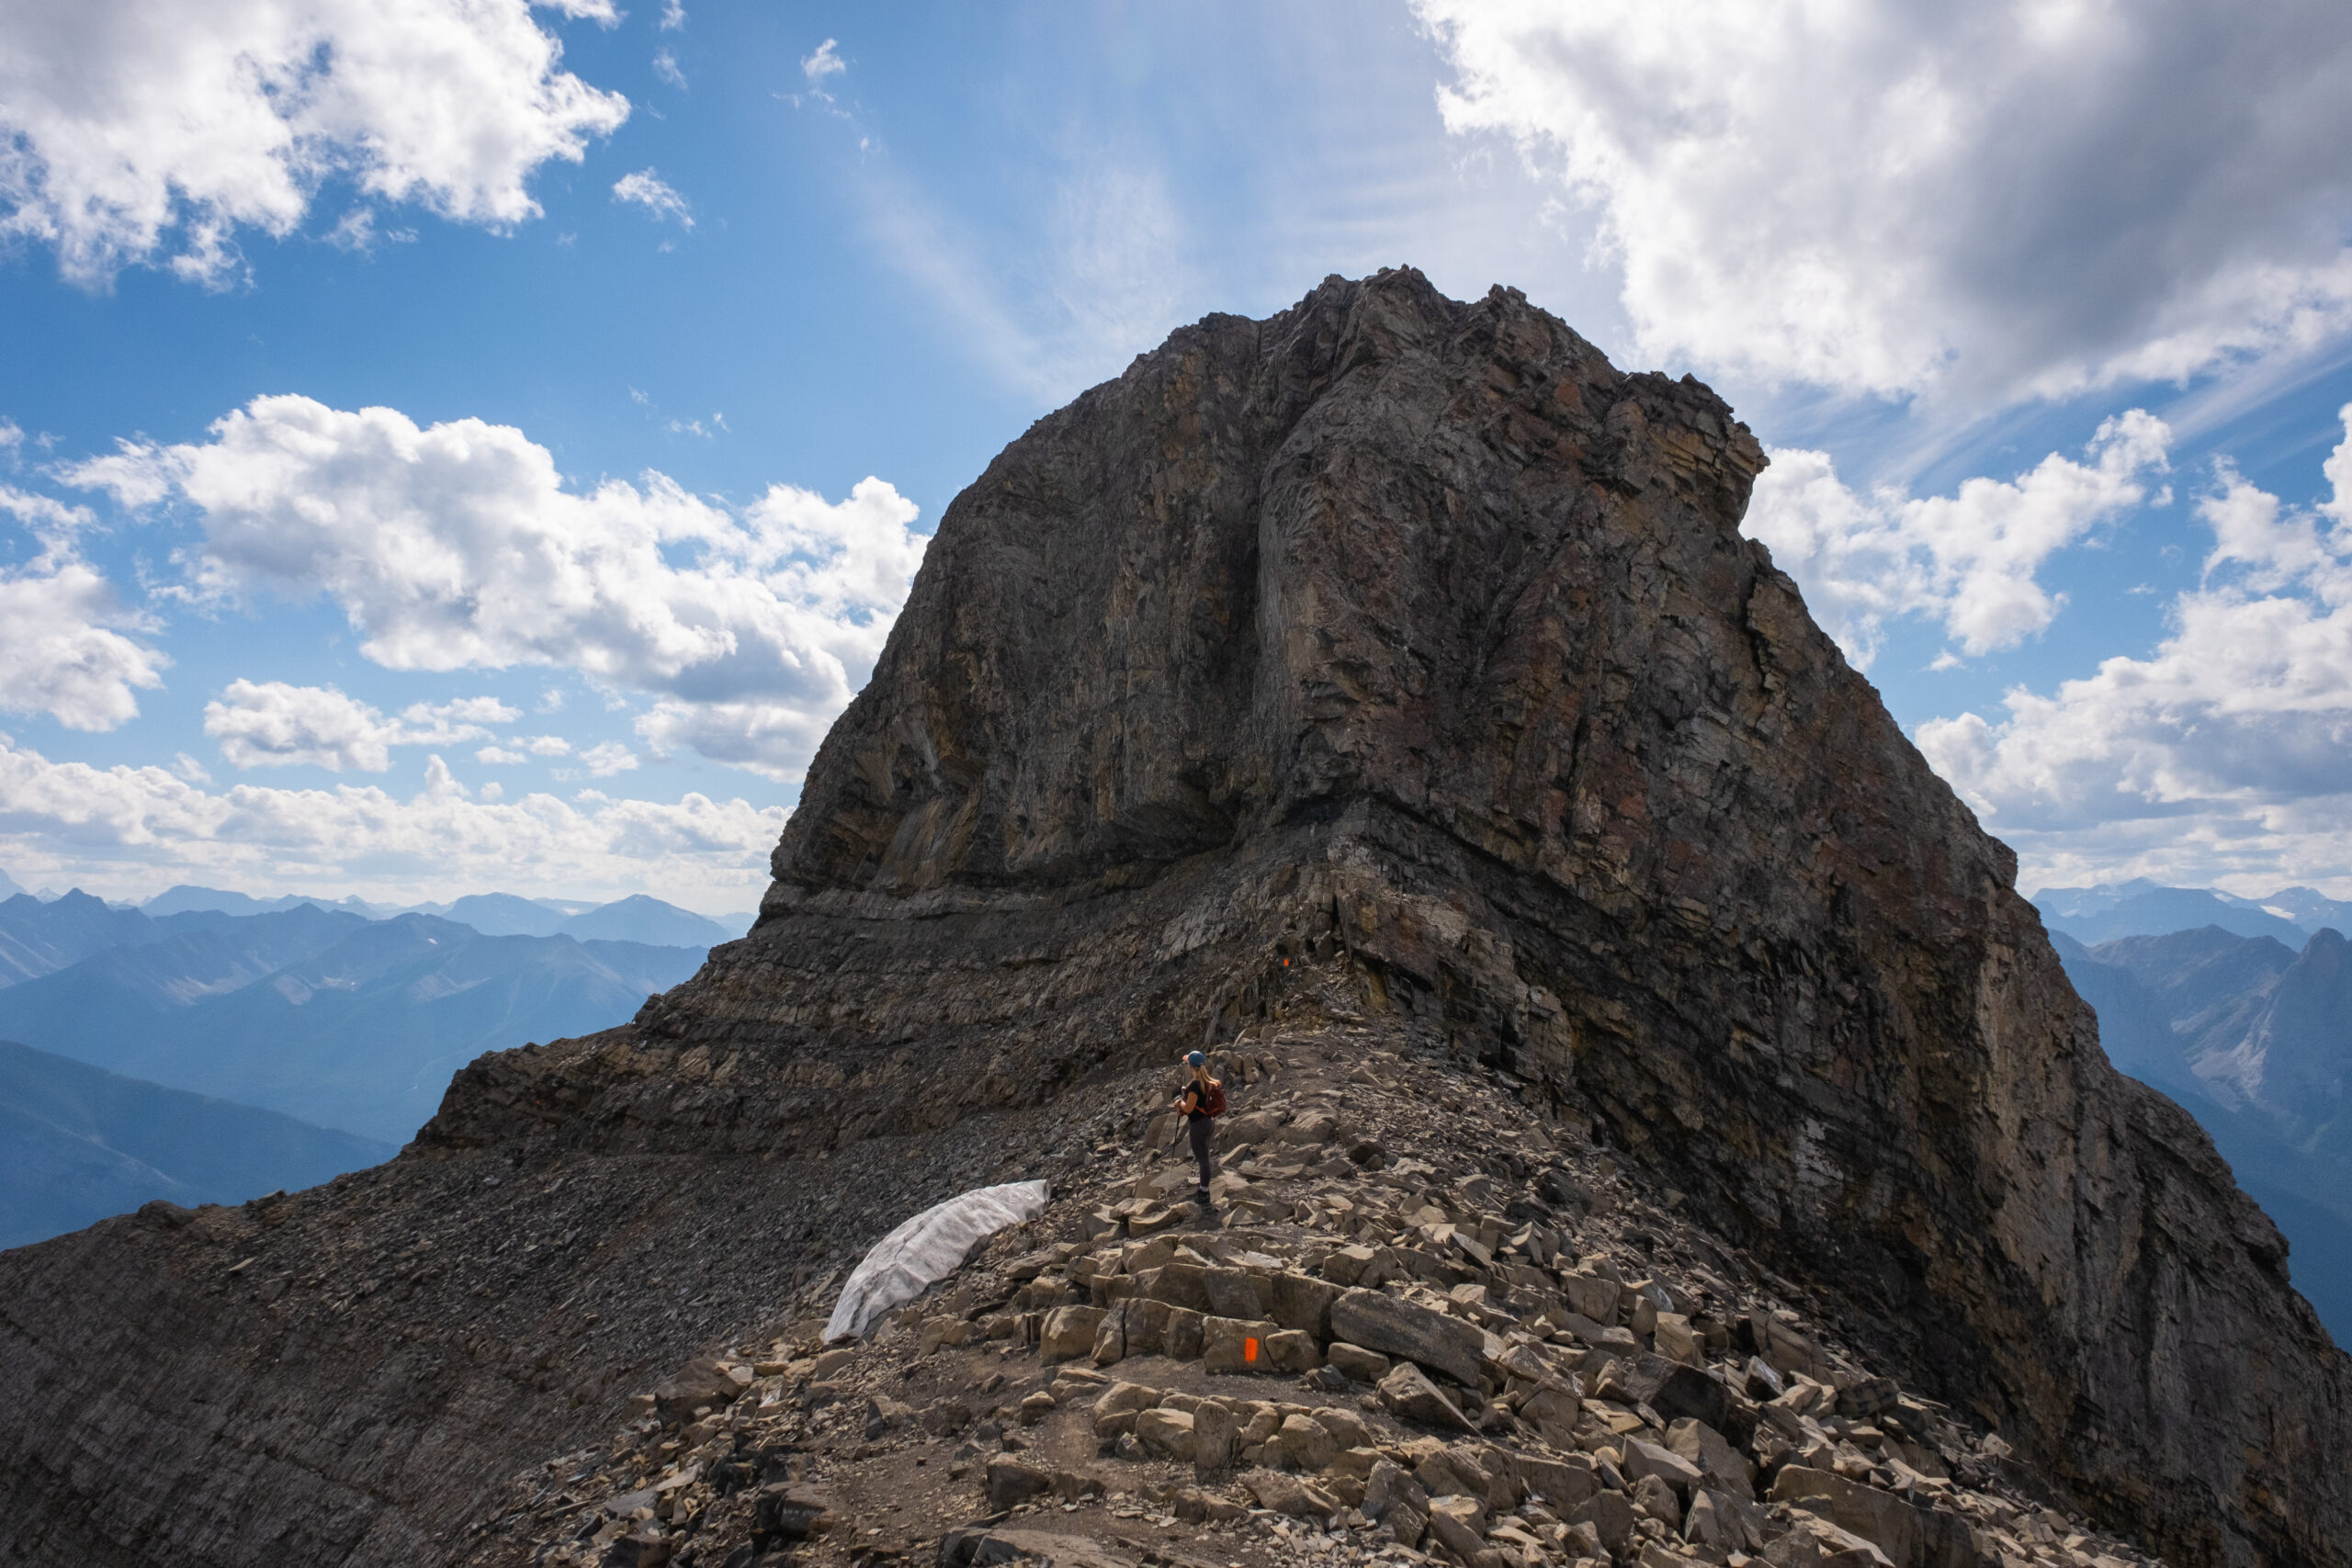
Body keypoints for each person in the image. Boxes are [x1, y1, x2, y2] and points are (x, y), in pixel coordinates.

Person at [1172, 1049, 1224, 1205]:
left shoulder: (1195, 1085)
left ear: (1192, 1067)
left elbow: (1188, 1108)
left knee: (1203, 1159)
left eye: (1187, 1063)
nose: (1186, 1065)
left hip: (1198, 1125)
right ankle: (1204, 1188)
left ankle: (1203, 1192)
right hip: (1207, 1122)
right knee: (1204, 1157)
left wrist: (1178, 1102)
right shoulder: (1206, 1082)